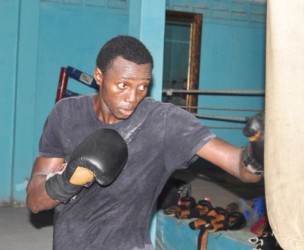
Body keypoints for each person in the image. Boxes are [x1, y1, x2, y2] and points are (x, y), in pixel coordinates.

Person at [26, 35, 262, 250]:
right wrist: (69, 180)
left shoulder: (164, 121)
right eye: (123, 85)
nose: (132, 98)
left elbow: (239, 166)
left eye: (142, 86)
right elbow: (35, 201)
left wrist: (259, 153)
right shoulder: (66, 114)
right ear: (99, 76)